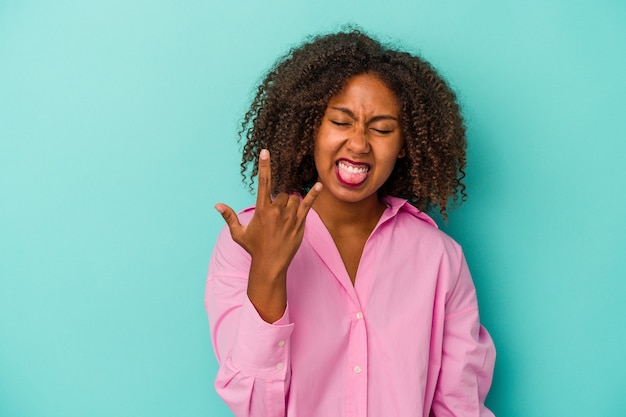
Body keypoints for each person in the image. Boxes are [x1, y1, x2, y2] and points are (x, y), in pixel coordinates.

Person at [206, 29, 496, 417]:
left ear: (405, 143)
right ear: (311, 127)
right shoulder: (247, 241)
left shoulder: (440, 258)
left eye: (381, 128)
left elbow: (461, 407)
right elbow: (253, 405)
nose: (359, 144)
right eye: (341, 122)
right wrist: (269, 272)